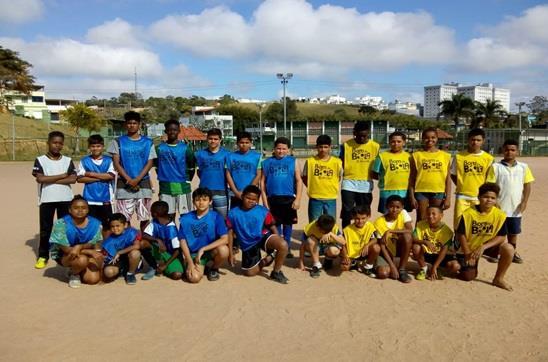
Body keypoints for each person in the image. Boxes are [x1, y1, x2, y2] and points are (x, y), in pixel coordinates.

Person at [447, 183, 514, 291]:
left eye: (493, 198)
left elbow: (501, 236)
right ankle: (453, 264)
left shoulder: (500, 215)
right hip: (471, 247)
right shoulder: (468, 213)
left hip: (487, 246)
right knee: (468, 276)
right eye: (485, 197)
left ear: (496, 200)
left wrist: (483, 247)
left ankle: (498, 279)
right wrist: (467, 253)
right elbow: (461, 235)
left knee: (509, 249)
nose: (489, 200)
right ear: (478, 197)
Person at [32, 131, 77, 269]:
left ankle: (64, 253)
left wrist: (50, 179)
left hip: (65, 198)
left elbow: (73, 179)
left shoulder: (67, 160)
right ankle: (43, 255)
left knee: (65, 228)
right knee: (46, 228)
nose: (57, 146)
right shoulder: (40, 160)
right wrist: (62, 175)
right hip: (47, 199)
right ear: (48, 143)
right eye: (54, 142)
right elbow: (40, 179)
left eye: (60, 143)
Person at [227, 185, 289, 284]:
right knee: (249, 273)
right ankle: (268, 259)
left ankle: (276, 272)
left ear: (258, 200)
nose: (251, 201)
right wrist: (231, 254)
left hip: (262, 237)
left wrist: (278, 240)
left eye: (254, 199)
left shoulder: (262, 211)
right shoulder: (232, 213)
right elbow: (230, 234)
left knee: (283, 245)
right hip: (248, 245)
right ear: (242, 196)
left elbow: (272, 226)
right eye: (248, 198)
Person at [107, 111, 156, 230]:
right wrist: (129, 179)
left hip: (143, 184)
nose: (132, 125)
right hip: (124, 184)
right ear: (125, 125)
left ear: (139, 125)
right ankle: (127, 243)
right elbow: (116, 163)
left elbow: (150, 162)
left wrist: (138, 179)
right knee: (124, 219)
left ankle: (144, 243)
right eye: (129, 123)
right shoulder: (117, 141)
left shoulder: (148, 142)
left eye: (135, 123)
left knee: (145, 218)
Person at [487, 139, 534, 264]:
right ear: (502, 150)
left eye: (513, 150)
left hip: (515, 207)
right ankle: (494, 251)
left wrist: (524, 201)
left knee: (513, 232)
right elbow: (491, 186)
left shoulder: (523, 167)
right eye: (507, 150)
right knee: (498, 232)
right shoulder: (495, 167)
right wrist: (494, 201)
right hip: (499, 206)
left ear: (517, 151)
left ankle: (512, 252)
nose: (509, 152)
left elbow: (527, 185)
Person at [260, 137, 303, 258]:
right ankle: (278, 246)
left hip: (289, 198)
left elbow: (299, 181)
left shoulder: (293, 161)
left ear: (288, 150)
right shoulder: (267, 163)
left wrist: (298, 198)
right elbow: (262, 183)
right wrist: (264, 201)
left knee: (288, 224)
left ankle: (287, 246)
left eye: (284, 149)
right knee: (275, 224)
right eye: (278, 148)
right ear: (274, 149)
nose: (281, 151)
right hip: (273, 198)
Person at [49, 196, 104, 288]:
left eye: (83, 208)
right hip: (65, 255)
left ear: (88, 209)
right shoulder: (61, 223)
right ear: (70, 210)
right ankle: (74, 274)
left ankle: (79, 268)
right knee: (82, 260)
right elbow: (66, 249)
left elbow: (94, 244)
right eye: (76, 208)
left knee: (92, 280)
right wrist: (87, 250)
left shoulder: (96, 224)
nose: (80, 210)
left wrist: (80, 247)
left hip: (86, 254)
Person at [178, 188, 230, 283]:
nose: (201, 203)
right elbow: (182, 241)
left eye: (205, 200)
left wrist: (203, 249)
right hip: (193, 254)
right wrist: (190, 262)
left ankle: (213, 268)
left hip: (209, 251)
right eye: (197, 200)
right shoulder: (185, 219)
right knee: (194, 278)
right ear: (193, 202)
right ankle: (197, 266)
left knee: (224, 250)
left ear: (210, 202)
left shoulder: (216, 217)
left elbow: (225, 239)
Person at [339, 121, 380, 227]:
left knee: (363, 212)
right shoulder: (346, 145)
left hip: (366, 183)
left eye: (364, 136)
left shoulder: (375, 146)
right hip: (349, 182)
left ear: (368, 134)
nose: (362, 138)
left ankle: (362, 234)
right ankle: (346, 234)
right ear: (354, 133)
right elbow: (341, 162)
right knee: (347, 211)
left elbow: (378, 165)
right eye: (359, 135)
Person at [451, 128, 494, 227]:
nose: (475, 142)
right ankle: (458, 242)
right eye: (473, 140)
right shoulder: (459, 157)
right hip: (462, 196)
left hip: (479, 197)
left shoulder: (488, 159)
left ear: (482, 141)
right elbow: (453, 174)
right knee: (459, 224)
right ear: (468, 140)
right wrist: (461, 184)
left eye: (478, 140)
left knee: (476, 224)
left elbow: (489, 179)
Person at [155, 119, 196, 220]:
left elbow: (192, 165)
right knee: (168, 216)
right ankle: (172, 235)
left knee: (186, 216)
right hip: (165, 188)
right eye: (169, 130)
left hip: (183, 187)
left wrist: (187, 179)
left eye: (175, 130)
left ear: (179, 131)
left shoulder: (186, 148)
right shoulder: (159, 148)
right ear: (165, 131)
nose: (172, 132)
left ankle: (183, 236)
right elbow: (156, 166)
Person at [409, 128, 452, 222]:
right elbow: (412, 178)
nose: (430, 140)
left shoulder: (445, 156)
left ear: (437, 138)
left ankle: (434, 237)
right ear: (422, 138)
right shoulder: (416, 156)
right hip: (421, 191)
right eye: (426, 137)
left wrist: (448, 198)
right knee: (421, 218)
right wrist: (412, 197)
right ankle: (419, 237)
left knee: (435, 219)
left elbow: (448, 178)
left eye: (433, 137)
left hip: (438, 191)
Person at [77, 134, 115, 238]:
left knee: (107, 225)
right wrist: (101, 177)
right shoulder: (84, 161)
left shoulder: (109, 160)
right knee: (91, 225)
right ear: (89, 147)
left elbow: (111, 176)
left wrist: (91, 174)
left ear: (102, 146)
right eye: (93, 146)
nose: (95, 148)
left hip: (106, 198)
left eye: (98, 146)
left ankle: (106, 246)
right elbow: (80, 178)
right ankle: (93, 247)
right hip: (89, 199)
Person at [302, 134, 342, 222]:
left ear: (330, 147)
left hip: (331, 197)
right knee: (314, 222)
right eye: (320, 147)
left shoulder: (337, 162)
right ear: (316, 147)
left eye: (326, 147)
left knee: (330, 223)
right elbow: (304, 177)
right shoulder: (310, 162)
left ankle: (329, 236)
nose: (323, 149)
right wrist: (312, 186)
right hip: (315, 197)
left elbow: (338, 177)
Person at [373, 195, 414, 283]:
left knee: (407, 236)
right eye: (391, 207)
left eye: (398, 207)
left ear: (402, 207)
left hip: (398, 248)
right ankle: (386, 265)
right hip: (386, 251)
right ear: (387, 207)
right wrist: (392, 267)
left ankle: (402, 269)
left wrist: (390, 231)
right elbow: (382, 246)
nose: (394, 210)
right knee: (383, 274)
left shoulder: (403, 213)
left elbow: (410, 230)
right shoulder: (379, 222)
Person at [142, 201, 184, 280]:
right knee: (143, 243)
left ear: (155, 214)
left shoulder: (171, 229)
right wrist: (157, 240)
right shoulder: (154, 222)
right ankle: (154, 266)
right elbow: (144, 235)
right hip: (158, 251)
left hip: (170, 256)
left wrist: (165, 265)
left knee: (177, 275)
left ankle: (163, 267)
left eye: (151, 211)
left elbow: (178, 250)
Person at [371, 131, 411, 214]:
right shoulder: (382, 156)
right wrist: (384, 179)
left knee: (402, 217)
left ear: (404, 142)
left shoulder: (409, 157)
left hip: (404, 191)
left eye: (399, 141)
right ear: (389, 142)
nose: (395, 144)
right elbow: (374, 173)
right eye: (393, 141)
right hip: (387, 191)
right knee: (387, 217)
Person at [411, 205, 454, 281]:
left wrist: (435, 266)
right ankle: (424, 268)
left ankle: (437, 268)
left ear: (441, 216)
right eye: (428, 214)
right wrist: (425, 242)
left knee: (455, 266)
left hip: (440, 256)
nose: (430, 216)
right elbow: (413, 238)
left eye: (434, 214)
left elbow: (444, 251)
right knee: (416, 247)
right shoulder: (421, 225)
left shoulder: (447, 231)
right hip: (426, 254)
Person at [195, 128, 230, 219]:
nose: (213, 141)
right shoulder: (200, 154)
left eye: (215, 139)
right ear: (207, 139)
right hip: (204, 191)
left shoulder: (227, 154)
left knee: (222, 218)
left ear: (220, 140)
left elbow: (228, 173)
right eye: (210, 138)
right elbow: (199, 171)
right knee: (205, 218)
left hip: (221, 191)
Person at [101, 213, 142, 285]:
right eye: (112, 226)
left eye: (118, 226)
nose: (115, 229)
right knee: (108, 272)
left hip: (129, 256)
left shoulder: (131, 232)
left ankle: (130, 273)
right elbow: (106, 257)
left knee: (135, 253)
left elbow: (137, 246)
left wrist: (119, 252)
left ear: (125, 225)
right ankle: (121, 270)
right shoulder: (109, 241)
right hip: (118, 260)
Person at [340, 205, 380, 277]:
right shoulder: (347, 230)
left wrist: (367, 245)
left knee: (376, 247)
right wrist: (345, 256)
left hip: (364, 253)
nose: (360, 221)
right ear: (353, 217)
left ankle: (368, 267)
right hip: (351, 255)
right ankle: (355, 263)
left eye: (363, 218)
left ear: (368, 216)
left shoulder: (370, 227)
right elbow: (343, 244)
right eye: (357, 218)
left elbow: (375, 239)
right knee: (344, 268)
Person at [226, 131, 262, 209]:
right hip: (235, 193)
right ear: (237, 143)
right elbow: (228, 174)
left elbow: (258, 174)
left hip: (251, 194)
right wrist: (235, 191)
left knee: (251, 214)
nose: (244, 144)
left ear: (250, 143)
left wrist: (248, 191)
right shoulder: (230, 156)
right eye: (241, 142)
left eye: (247, 142)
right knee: (235, 215)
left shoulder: (257, 156)